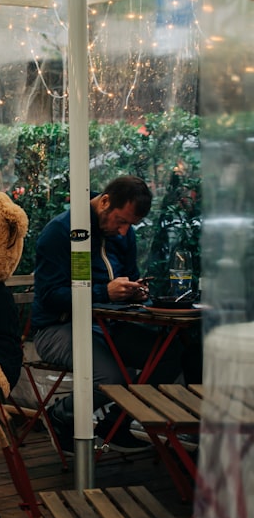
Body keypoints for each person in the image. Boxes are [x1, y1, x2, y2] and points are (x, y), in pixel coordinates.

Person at [30, 175, 199, 454]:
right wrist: (104, 292)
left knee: (170, 352)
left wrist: (136, 290)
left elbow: (129, 276)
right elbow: (49, 298)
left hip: (108, 325)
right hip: (57, 327)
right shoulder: (61, 231)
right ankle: (59, 414)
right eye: (121, 222)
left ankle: (116, 422)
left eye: (129, 225)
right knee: (111, 377)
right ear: (105, 202)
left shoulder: (122, 234)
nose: (123, 232)